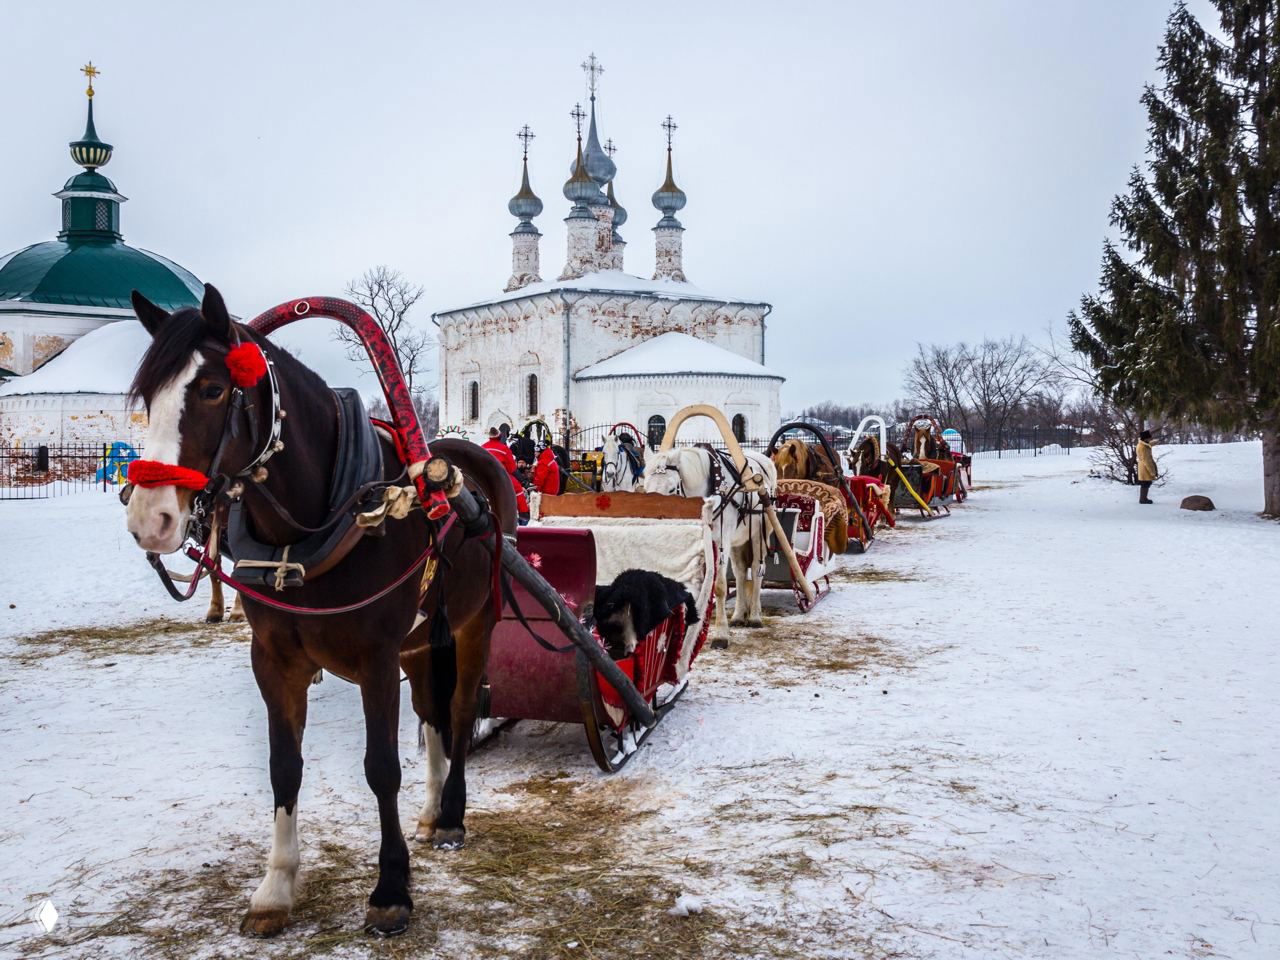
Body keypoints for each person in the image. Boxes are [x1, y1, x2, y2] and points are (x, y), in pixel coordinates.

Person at [482, 427, 530, 524]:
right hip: (500, 476)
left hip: (485, 476)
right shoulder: (504, 449)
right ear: (499, 437)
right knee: (518, 490)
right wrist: (523, 481)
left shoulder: (483, 447)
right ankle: (523, 515)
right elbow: (512, 469)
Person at [1136, 429, 1158, 504]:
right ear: (1145, 438)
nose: (1150, 439)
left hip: (1143, 466)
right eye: (1149, 438)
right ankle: (1143, 499)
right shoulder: (1143, 447)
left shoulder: (1142, 444)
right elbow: (1147, 461)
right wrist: (1152, 471)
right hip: (1145, 467)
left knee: (1146, 483)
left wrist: (1155, 442)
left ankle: (1143, 498)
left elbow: (1149, 444)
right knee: (1145, 483)